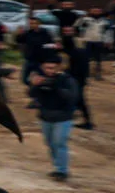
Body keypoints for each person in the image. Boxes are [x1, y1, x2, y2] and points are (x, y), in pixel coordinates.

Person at [28, 53, 79, 181]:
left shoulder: (67, 80)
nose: (49, 71)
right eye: (47, 68)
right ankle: (57, 167)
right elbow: (32, 95)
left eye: (52, 68)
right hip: (46, 117)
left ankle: (62, 171)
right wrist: (35, 85)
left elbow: (72, 98)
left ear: (58, 68)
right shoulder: (41, 79)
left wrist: (55, 87)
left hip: (63, 118)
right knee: (50, 143)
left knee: (59, 143)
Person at [60, 26, 94, 129]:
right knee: (78, 100)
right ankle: (86, 121)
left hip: (75, 79)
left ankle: (87, 122)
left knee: (77, 100)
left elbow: (69, 68)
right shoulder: (80, 51)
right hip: (81, 79)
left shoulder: (72, 53)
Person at [15, 16, 55, 86]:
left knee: (43, 78)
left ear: (38, 24)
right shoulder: (28, 33)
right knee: (24, 79)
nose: (33, 25)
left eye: (34, 23)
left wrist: (48, 57)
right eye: (31, 23)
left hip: (40, 60)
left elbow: (50, 45)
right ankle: (33, 87)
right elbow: (19, 40)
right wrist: (19, 34)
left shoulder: (45, 33)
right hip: (29, 59)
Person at [77, 7, 110, 78]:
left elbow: (107, 32)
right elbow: (77, 26)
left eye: (98, 11)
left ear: (101, 12)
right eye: (94, 11)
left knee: (98, 58)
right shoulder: (85, 19)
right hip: (87, 40)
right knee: (85, 58)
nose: (96, 12)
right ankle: (86, 73)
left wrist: (108, 41)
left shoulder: (104, 21)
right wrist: (82, 18)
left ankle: (98, 73)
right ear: (90, 11)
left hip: (99, 41)